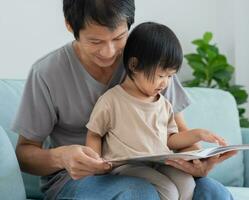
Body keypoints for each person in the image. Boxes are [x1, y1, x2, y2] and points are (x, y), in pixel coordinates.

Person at [12, 0, 236, 199]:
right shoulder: (47, 73)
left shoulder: (149, 61)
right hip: (78, 180)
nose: (109, 52)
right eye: (95, 41)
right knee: (139, 193)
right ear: (70, 26)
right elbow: (24, 154)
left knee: (214, 193)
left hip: (155, 168)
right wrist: (61, 157)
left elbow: (179, 134)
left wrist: (197, 163)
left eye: (119, 37)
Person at [85, 22, 227, 200]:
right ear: (134, 65)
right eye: (161, 75)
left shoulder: (164, 104)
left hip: (160, 163)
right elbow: (94, 133)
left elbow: (171, 140)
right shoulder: (111, 100)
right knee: (168, 190)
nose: (165, 83)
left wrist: (198, 134)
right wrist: (96, 164)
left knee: (187, 184)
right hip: (128, 167)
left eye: (170, 76)